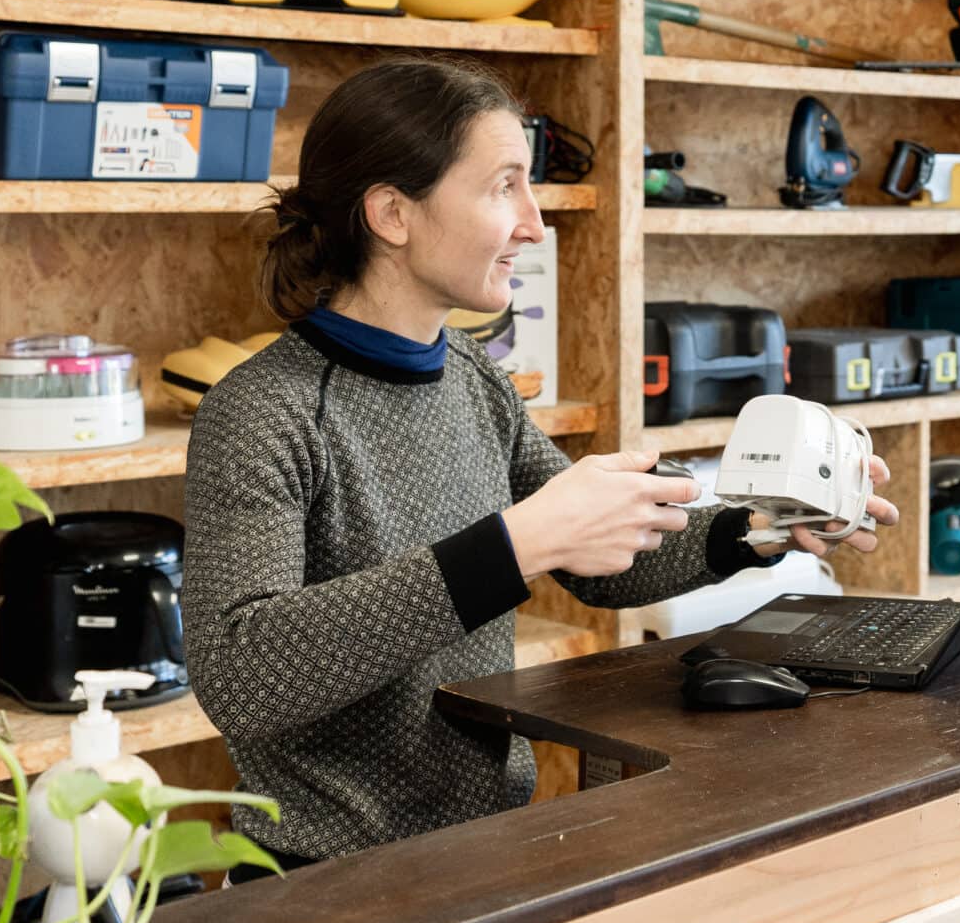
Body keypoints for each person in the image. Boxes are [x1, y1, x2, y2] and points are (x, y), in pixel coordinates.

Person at [181, 57, 895, 876]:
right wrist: (515, 546)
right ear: (391, 213)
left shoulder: (472, 377)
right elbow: (243, 673)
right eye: (503, 187)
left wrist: (765, 527)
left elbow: (599, 564)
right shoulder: (262, 410)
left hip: (487, 850)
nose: (535, 224)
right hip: (325, 879)